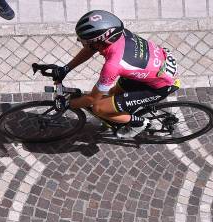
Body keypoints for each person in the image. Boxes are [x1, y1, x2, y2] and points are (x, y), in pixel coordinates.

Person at [53, 10, 181, 138]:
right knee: (113, 94)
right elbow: (90, 49)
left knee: (98, 108)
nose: (82, 43)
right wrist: (66, 68)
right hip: (154, 69)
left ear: (100, 42)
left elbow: (92, 98)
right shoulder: (120, 34)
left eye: (85, 41)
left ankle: (140, 123)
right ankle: (118, 116)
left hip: (160, 86)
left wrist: (68, 104)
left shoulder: (113, 65)